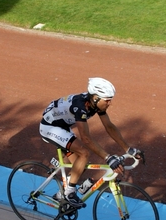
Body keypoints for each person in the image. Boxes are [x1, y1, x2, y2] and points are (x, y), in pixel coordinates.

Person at [39, 77, 145, 207]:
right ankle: (69, 193)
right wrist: (108, 158)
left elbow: (109, 127)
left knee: (80, 164)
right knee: (83, 153)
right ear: (96, 98)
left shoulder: (95, 103)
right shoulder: (80, 106)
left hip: (63, 127)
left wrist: (128, 149)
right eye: (107, 100)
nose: (110, 103)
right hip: (49, 127)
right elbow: (86, 138)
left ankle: (61, 195)